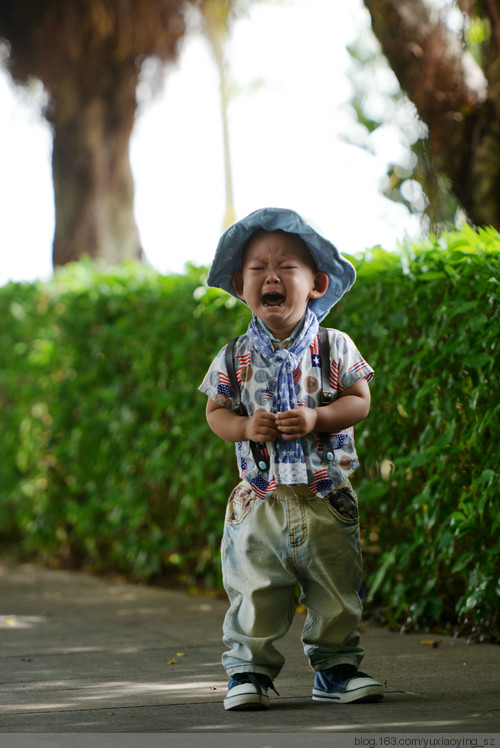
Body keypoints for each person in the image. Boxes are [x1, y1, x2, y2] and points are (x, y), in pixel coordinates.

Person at [199, 207, 384, 711]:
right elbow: (215, 412)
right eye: (257, 269)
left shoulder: (334, 345)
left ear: (317, 283)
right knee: (255, 589)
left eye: (286, 267)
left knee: (336, 589)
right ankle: (249, 672)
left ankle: (336, 668)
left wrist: (318, 418)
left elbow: (360, 399)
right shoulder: (234, 355)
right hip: (260, 501)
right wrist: (241, 426)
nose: (271, 276)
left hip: (327, 496)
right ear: (241, 286)